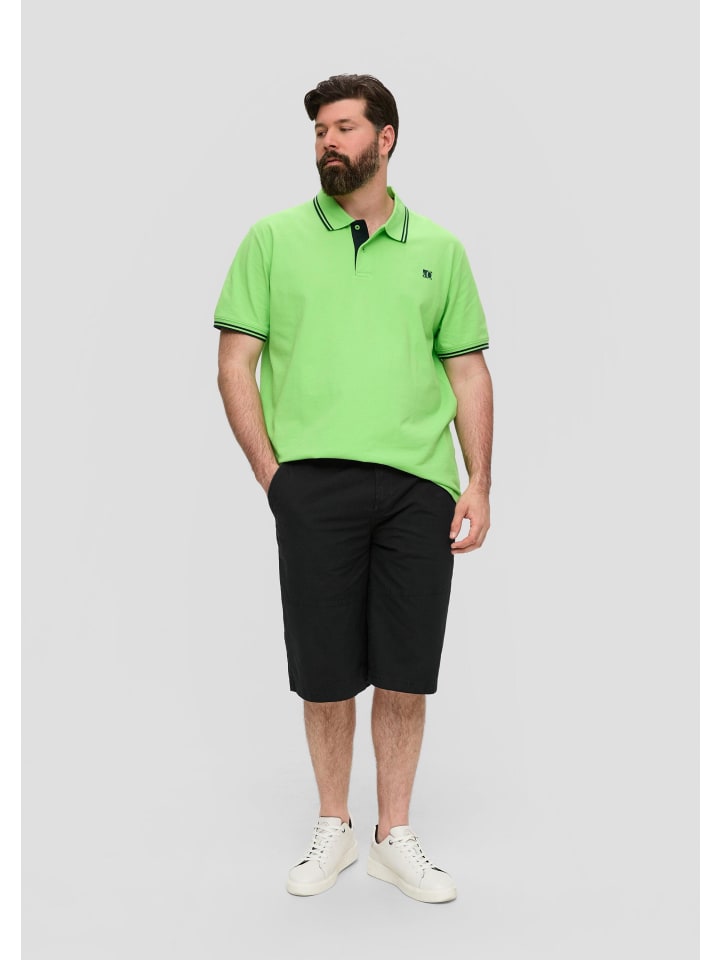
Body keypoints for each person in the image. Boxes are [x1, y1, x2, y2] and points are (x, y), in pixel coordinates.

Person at [214, 73, 493, 904]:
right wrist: (274, 476)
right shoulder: (272, 240)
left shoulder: (440, 249)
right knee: (325, 669)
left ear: (385, 138)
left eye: (342, 127)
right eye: (318, 131)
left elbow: (468, 371)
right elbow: (235, 365)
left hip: (419, 486)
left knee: (407, 668)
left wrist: (479, 480)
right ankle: (333, 825)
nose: (327, 142)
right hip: (313, 484)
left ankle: (391, 836)